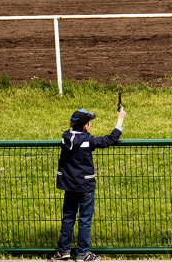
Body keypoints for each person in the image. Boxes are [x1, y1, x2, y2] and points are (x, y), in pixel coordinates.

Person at [49, 105, 126, 262]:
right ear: (86, 126)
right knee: (84, 219)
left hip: (69, 186)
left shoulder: (64, 137)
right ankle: (83, 253)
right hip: (85, 186)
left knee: (68, 217)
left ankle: (63, 250)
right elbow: (110, 139)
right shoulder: (88, 140)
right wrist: (120, 119)